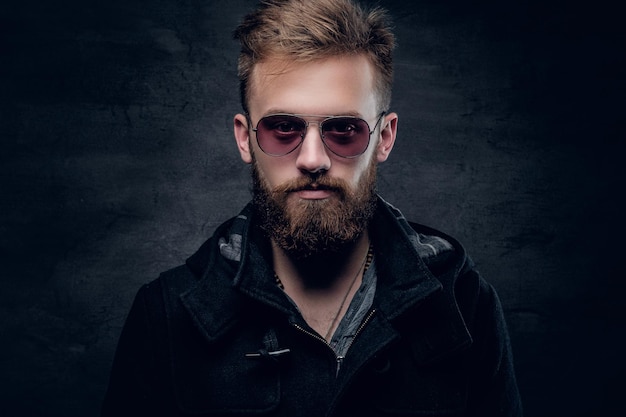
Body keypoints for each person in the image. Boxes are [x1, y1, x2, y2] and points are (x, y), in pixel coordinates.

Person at [101, 0, 522, 416]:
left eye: (344, 129)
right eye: (283, 128)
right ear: (245, 138)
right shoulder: (167, 314)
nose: (313, 159)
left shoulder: (465, 305)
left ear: (385, 138)